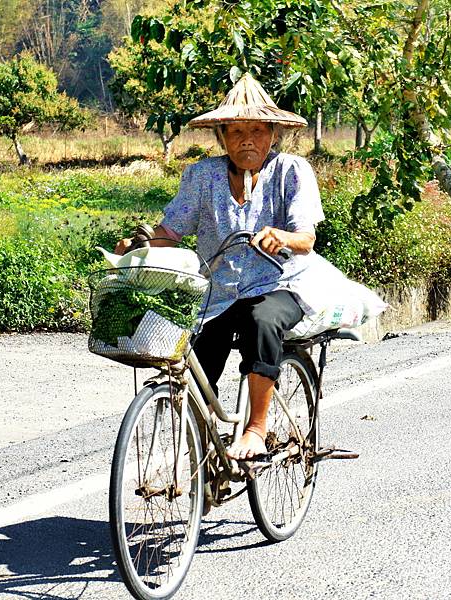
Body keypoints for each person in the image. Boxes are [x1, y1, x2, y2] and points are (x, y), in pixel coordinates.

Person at [115, 73, 325, 461]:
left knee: (262, 322)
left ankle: (257, 428)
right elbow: (171, 230)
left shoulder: (291, 172)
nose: (248, 139)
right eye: (237, 130)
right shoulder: (201, 176)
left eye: (258, 130)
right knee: (191, 358)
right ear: (222, 135)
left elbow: (305, 238)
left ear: (273, 133)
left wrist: (281, 236)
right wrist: (139, 243)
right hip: (219, 292)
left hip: (279, 284)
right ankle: (197, 463)